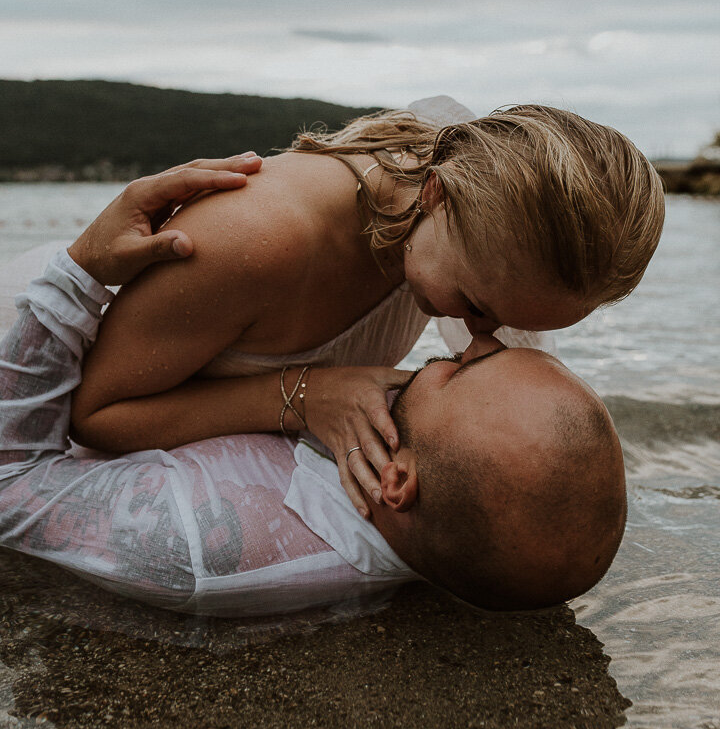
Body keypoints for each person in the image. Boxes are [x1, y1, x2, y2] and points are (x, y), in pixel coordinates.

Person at [0, 165, 627, 615]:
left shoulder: (196, 537)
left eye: (462, 368)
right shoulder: (456, 525)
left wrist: (78, 272)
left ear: (399, 482)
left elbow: (11, 488)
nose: (478, 339)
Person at [67, 97, 663, 519]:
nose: (481, 338)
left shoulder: (456, 214)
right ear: (437, 194)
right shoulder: (251, 240)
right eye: (478, 308)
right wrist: (304, 395)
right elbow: (94, 415)